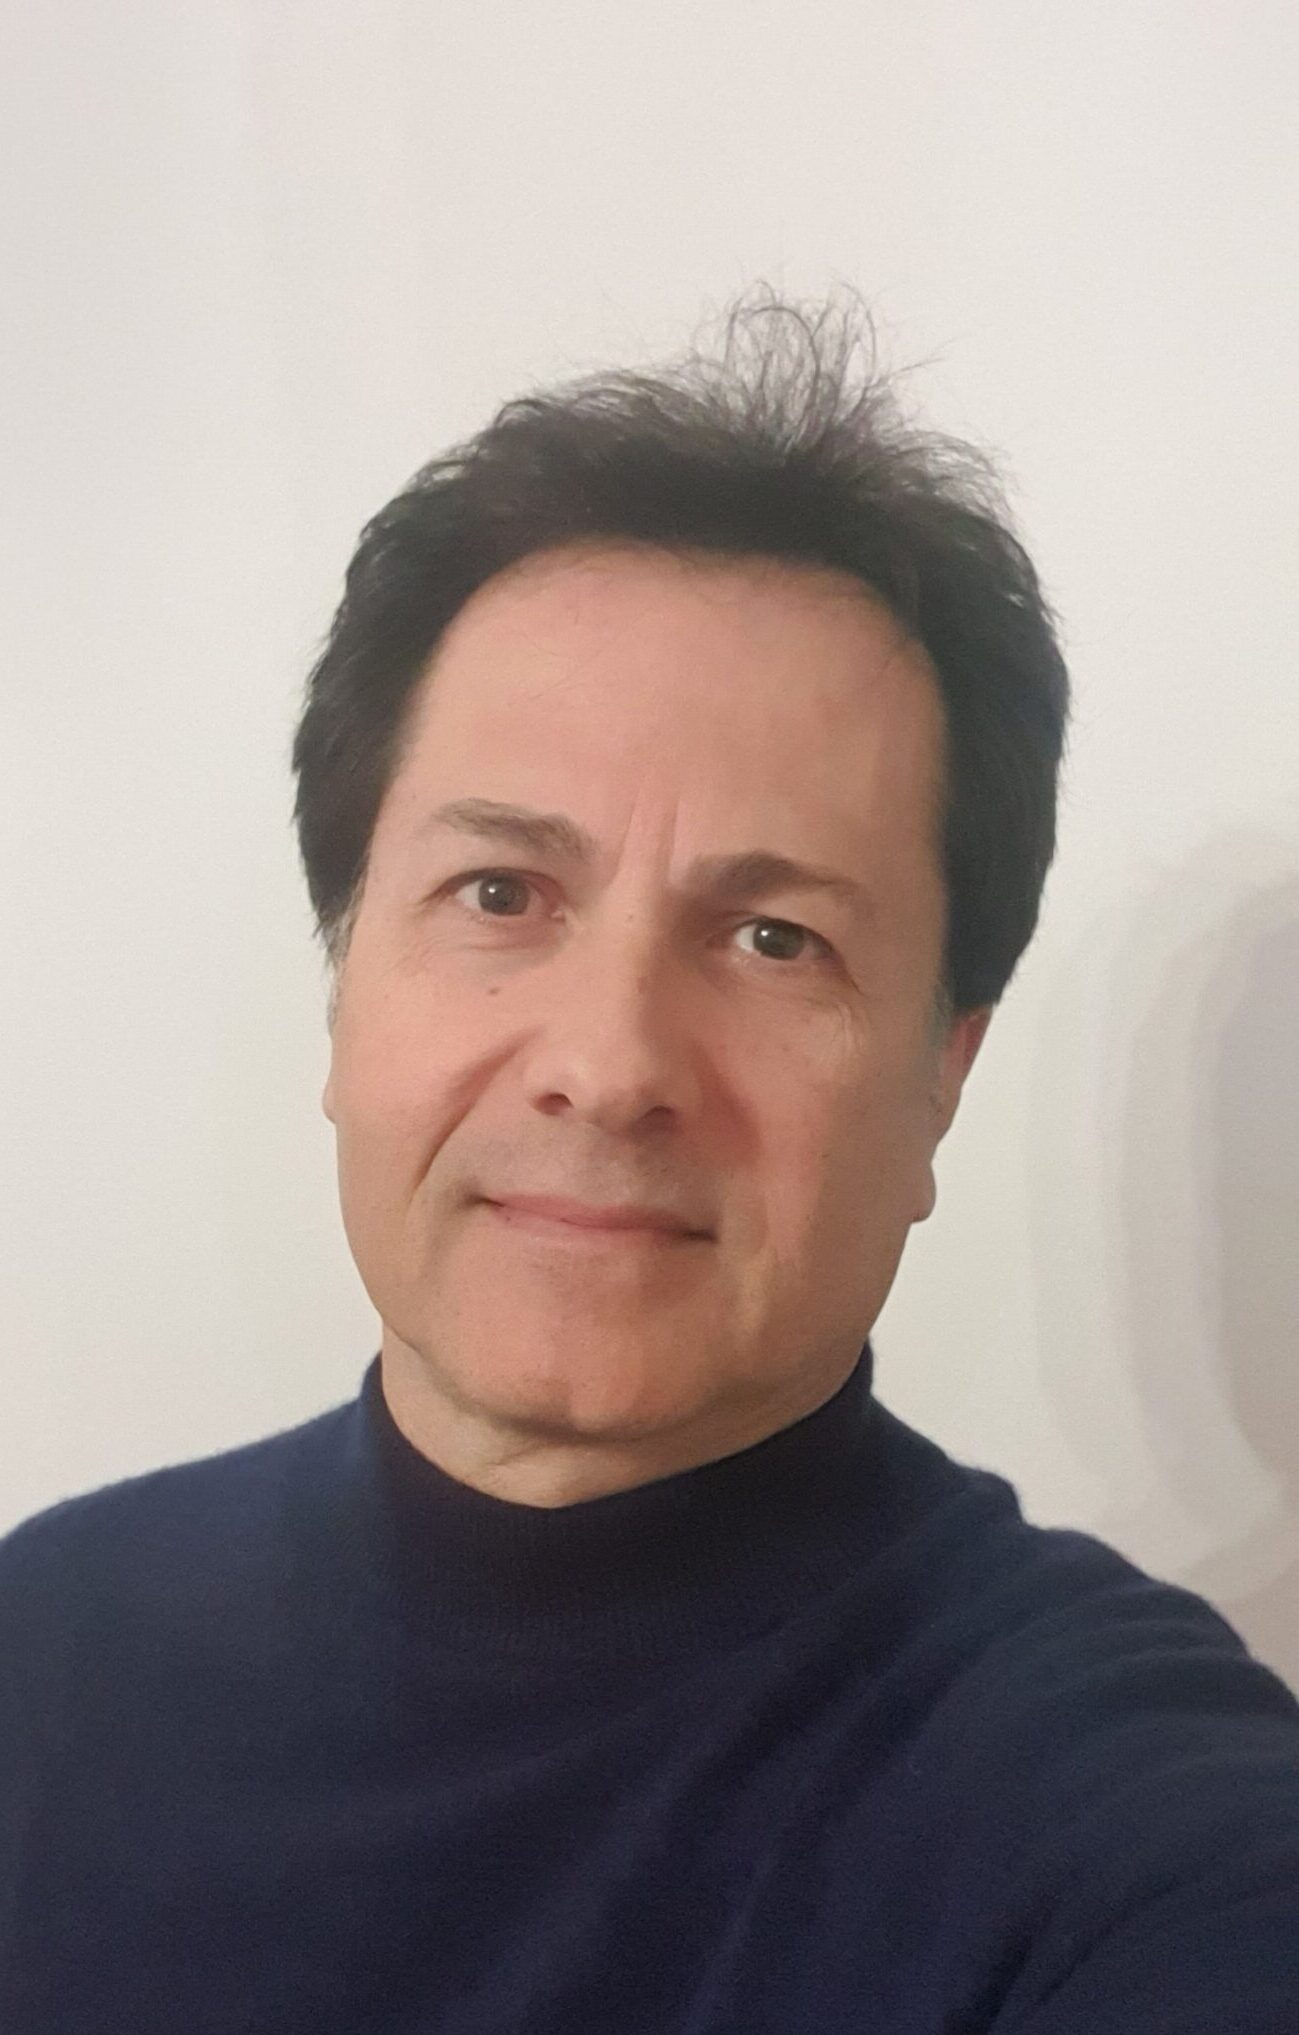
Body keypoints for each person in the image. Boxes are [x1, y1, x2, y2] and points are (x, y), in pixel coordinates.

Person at [2, 294, 1296, 2033]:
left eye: (774, 938)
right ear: (344, 989)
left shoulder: (1126, 1830)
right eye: (500, 895)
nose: (609, 1069)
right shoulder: (46, 1649)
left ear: (942, 1075)